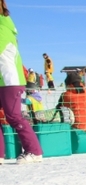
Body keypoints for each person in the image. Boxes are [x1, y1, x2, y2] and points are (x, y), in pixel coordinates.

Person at [0, 1, 43, 163]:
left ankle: (34, 151)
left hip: (10, 80)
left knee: (14, 116)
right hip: (2, 80)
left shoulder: (3, 27)